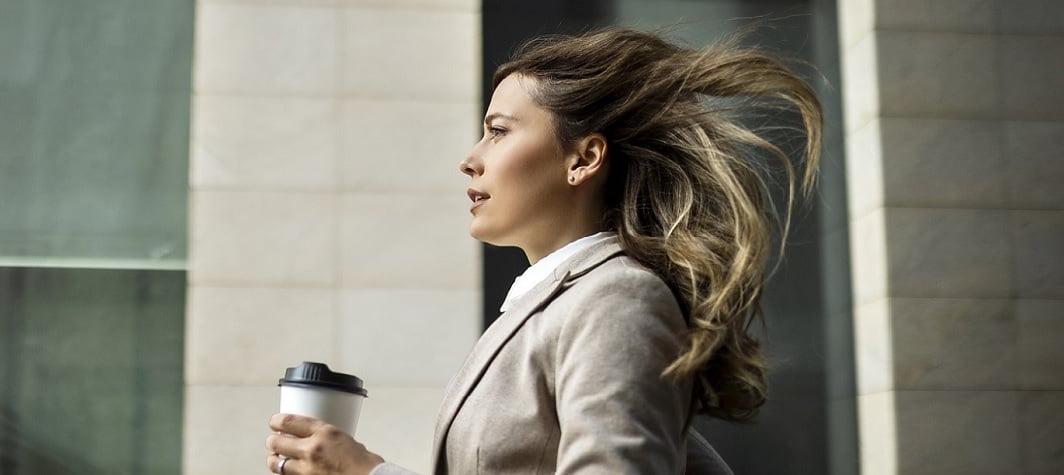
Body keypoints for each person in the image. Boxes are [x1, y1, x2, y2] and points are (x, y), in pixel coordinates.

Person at [264, 25, 822, 475]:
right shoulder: (555, 306)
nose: (470, 157)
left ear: (582, 159)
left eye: (499, 131)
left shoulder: (617, 298)